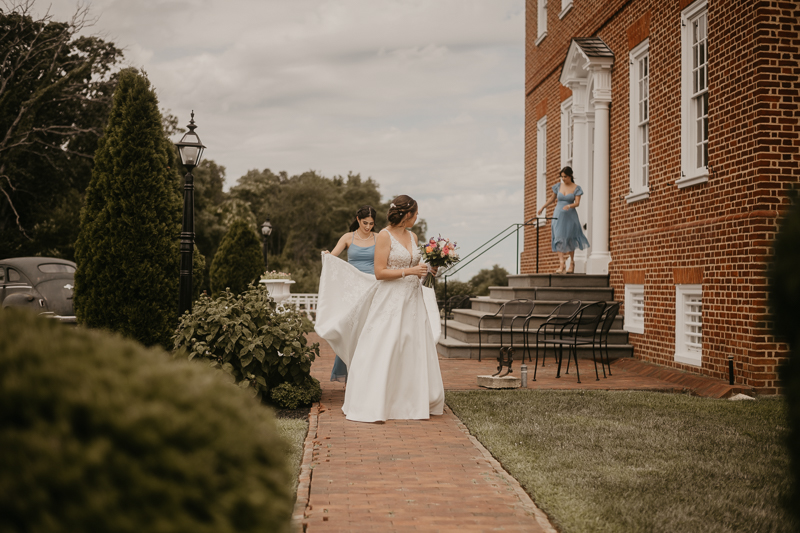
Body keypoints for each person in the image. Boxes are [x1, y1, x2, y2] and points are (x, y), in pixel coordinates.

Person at [315, 195, 445, 423]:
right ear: (406, 214)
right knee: (385, 346)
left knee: (412, 347)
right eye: (415, 213)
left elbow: (418, 266)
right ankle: (377, 400)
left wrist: (430, 269)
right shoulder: (384, 236)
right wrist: (410, 272)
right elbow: (379, 272)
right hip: (390, 299)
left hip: (413, 300)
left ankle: (411, 399)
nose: (417, 217)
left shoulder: (413, 236)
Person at [324, 205, 378, 382]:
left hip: (373, 288)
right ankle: (349, 377)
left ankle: (367, 377)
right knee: (351, 331)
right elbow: (333, 258)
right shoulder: (348, 237)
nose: (368, 227)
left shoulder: (379, 238)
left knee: (369, 331)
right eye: (365, 223)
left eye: (371, 223)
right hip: (353, 290)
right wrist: (327, 256)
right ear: (357, 219)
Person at [537, 166, 590, 274]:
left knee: (570, 238)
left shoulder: (576, 188)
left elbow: (577, 203)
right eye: (561, 177)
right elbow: (552, 199)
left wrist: (569, 206)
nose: (563, 179)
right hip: (558, 216)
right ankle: (561, 264)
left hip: (570, 216)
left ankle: (571, 263)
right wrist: (543, 207)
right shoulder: (558, 186)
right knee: (558, 238)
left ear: (570, 176)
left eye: (565, 177)